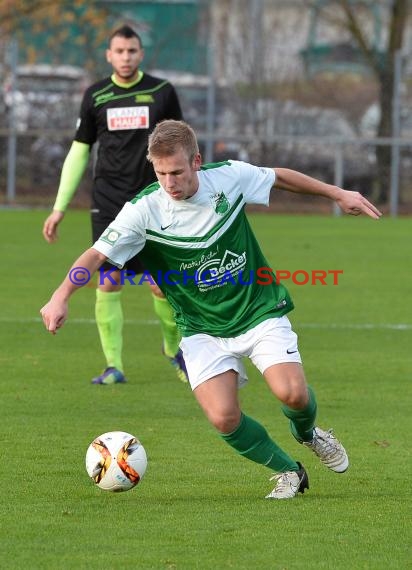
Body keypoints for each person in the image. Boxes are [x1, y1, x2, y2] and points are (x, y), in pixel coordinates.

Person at [41, 120, 382, 499]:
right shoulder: (143, 211)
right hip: (201, 328)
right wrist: (61, 294)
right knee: (223, 417)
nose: (170, 182)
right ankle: (289, 471)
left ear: (197, 161)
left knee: (293, 396)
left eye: (177, 172)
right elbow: (96, 254)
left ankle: (308, 434)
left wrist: (336, 193)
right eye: (161, 173)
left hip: (258, 310)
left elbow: (279, 178)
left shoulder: (229, 177)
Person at [42, 25, 187, 385]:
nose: (125, 57)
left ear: (141, 54)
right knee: (108, 281)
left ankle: (175, 351)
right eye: (119, 51)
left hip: (154, 199)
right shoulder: (96, 95)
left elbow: (181, 145)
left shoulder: (161, 92)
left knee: (160, 283)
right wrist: (60, 206)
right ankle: (113, 366)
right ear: (109, 55)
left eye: (132, 51)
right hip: (108, 201)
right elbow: (80, 151)